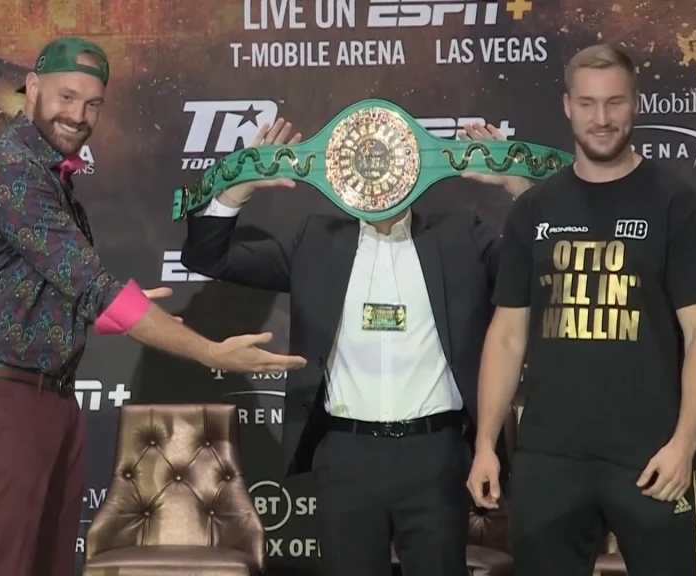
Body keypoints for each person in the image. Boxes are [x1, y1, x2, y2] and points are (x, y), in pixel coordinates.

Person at [0, 37, 307, 576]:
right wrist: (212, 353)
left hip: (48, 400)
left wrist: (109, 310)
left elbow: (55, 288)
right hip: (2, 403)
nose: (78, 116)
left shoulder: (51, 176)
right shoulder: (9, 169)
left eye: (92, 104)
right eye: (66, 97)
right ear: (31, 89)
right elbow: (93, 288)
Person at [180, 118, 530, 576]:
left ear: (412, 165)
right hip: (347, 457)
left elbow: (540, 261)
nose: (377, 174)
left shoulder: (461, 236)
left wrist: (521, 189)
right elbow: (207, 256)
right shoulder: (317, 241)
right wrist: (239, 185)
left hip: (436, 456)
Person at [466, 43, 696, 576]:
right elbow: (507, 335)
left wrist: (684, 443)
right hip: (549, 460)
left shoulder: (674, 204)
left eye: (615, 102)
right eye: (587, 104)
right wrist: (486, 445)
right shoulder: (534, 209)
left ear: (636, 104)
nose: (601, 119)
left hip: (651, 457)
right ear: (568, 106)